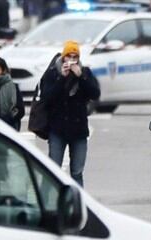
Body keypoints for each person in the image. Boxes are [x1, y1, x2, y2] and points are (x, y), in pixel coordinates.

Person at [39, 40, 100, 187]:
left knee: (77, 172)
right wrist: (61, 78)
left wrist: (82, 77)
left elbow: (95, 93)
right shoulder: (53, 73)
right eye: (68, 56)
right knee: (53, 170)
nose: (71, 60)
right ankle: (50, 204)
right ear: (63, 57)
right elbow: (47, 98)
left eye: (75, 57)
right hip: (58, 129)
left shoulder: (84, 72)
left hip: (78, 129)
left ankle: (78, 204)